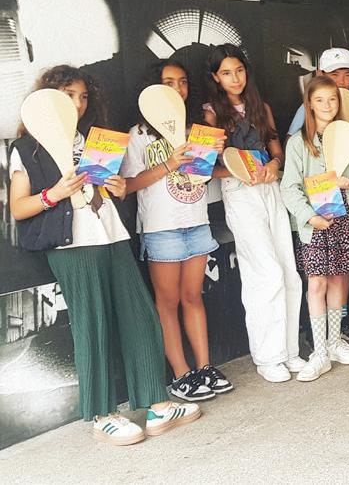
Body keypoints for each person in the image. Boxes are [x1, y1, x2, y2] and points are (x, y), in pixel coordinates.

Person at [9, 66, 200, 445]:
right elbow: (18, 208)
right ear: (48, 97)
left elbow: (116, 188)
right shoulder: (28, 147)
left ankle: (157, 404)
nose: (78, 104)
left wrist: (118, 186)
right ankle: (102, 415)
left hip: (111, 236)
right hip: (71, 246)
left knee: (141, 317)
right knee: (92, 324)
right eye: (69, 95)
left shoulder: (91, 139)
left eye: (83, 96)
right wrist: (55, 194)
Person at [122, 59, 231, 401]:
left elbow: (204, 175)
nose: (177, 89)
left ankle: (204, 367)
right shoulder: (139, 134)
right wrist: (168, 164)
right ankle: (181, 375)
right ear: (152, 88)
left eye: (182, 82)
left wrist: (216, 154)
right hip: (161, 228)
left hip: (196, 221)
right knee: (167, 303)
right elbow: (127, 185)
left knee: (193, 297)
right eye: (168, 82)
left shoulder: (195, 128)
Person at [204, 44, 305, 383]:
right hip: (240, 193)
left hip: (270, 189)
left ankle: (290, 351)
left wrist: (274, 165)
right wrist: (237, 171)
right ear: (216, 77)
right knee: (265, 273)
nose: (235, 78)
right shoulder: (211, 114)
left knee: (288, 271)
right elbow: (205, 169)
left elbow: (276, 151)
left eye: (239, 70)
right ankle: (268, 357)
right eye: (226, 73)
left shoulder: (261, 108)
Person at [280, 76, 349, 381]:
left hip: (344, 218)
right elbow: (289, 187)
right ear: (309, 104)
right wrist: (309, 217)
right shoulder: (299, 143)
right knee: (317, 284)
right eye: (319, 100)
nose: (326, 105)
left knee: (338, 280)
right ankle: (319, 351)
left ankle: (335, 342)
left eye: (332, 99)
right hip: (315, 224)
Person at [286, 47, 349, 136]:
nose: (341, 81)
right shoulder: (312, 106)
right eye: (334, 74)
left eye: (347, 75)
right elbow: (290, 139)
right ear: (320, 74)